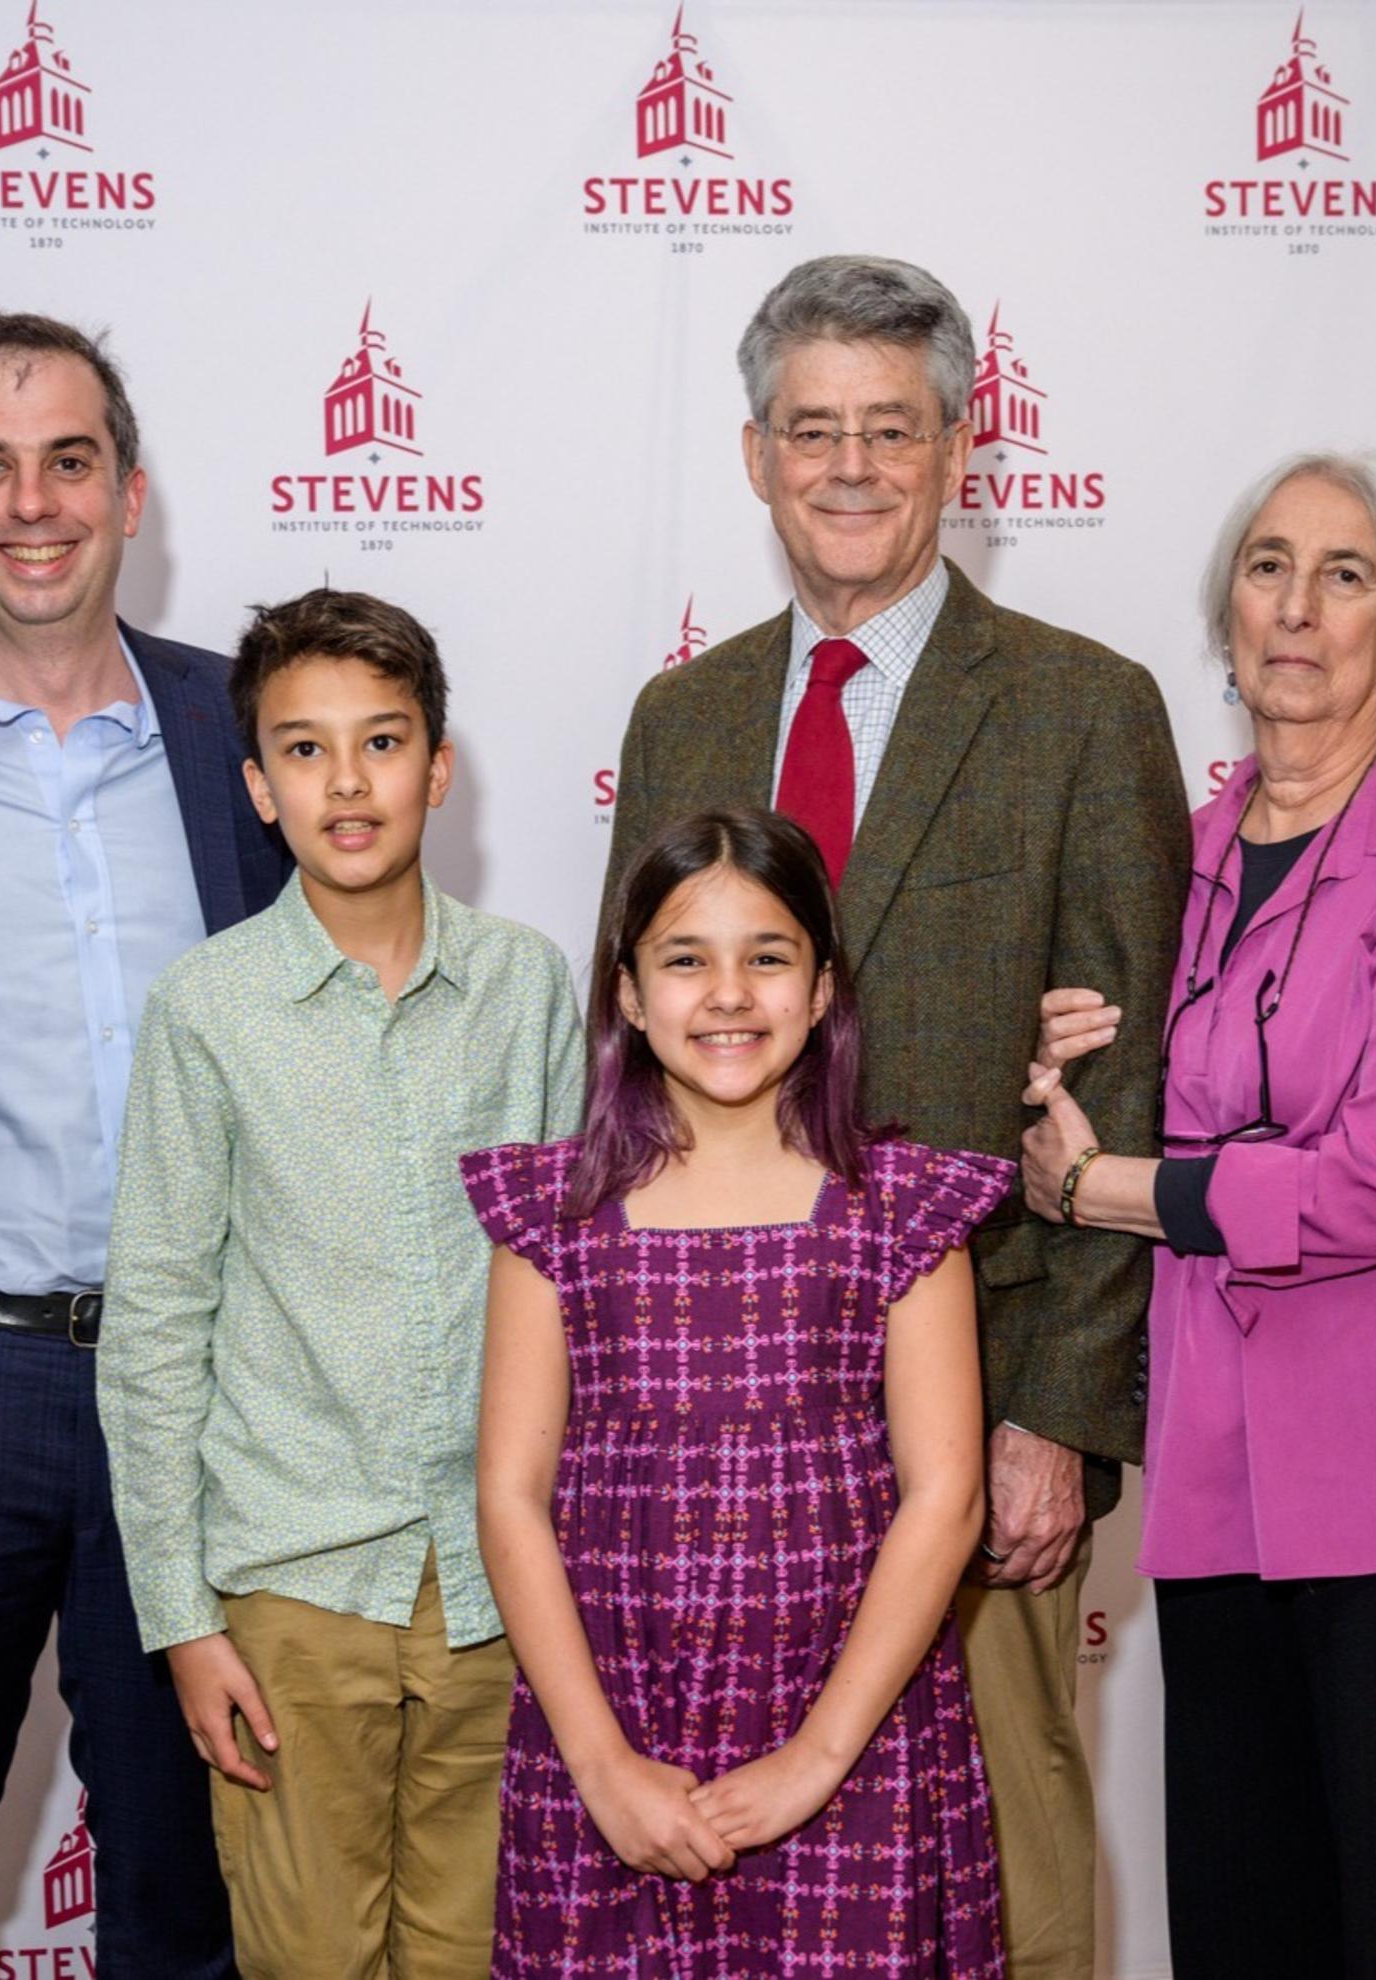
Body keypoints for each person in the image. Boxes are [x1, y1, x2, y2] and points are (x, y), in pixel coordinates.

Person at [602, 252, 1187, 1977]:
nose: (849, 469)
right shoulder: (681, 715)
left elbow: (1128, 1078)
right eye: (813, 432)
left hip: (985, 1380)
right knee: (738, 1870)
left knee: (997, 1855)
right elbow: (635, 1054)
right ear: (755, 455)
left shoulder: (1088, 707)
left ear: (960, 450)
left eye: (891, 430)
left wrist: (1063, 1418)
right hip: (715, 1412)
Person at [1019, 451, 1376, 1979]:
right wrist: (1050, 1064)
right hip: (1224, 1492)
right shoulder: (1175, 860)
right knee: (1253, 1932)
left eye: (1347, 574)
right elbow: (1120, 1091)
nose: (1300, 607)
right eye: (1268, 566)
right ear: (1225, 613)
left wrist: (1116, 1187)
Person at [0, 312, 285, 1980]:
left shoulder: (250, 736)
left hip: (203, 1388)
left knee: (192, 1890)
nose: (34, 501)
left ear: (133, 492)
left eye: (70, 460)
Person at [96, 588, 583, 1978]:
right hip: (294, 1585)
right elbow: (155, 1328)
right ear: (257, 786)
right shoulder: (209, 1006)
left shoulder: (526, 987)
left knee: (478, 1956)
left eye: (382, 741)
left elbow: (566, 1291)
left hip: (498, 1584)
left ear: (439, 767)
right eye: (304, 750)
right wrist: (185, 1621)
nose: (348, 781)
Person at [468, 806, 1010, 1974]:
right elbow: (509, 1496)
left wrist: (816, 1757)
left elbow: (947, 1498)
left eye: (767, 958)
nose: (727, 995)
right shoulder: (550, 1214)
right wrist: (601, 1766)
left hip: (854, 1733)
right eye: (684, 960)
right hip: (613, 1740)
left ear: (822, 991)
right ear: (625, 991)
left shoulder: (902, 1208)